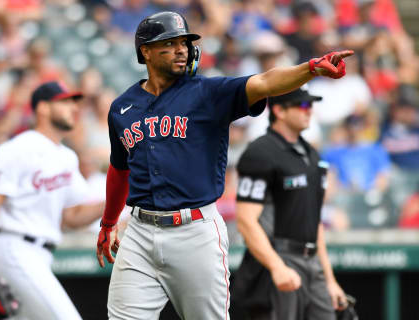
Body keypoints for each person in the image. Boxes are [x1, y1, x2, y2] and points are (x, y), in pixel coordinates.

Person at [96, 11, 353, 320]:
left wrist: (309, 69)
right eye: (169, 43)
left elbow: (266, 81)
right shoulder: (122, 107)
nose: (181, 50)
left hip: (194, 231)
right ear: (145, 52)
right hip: (138, 231)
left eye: (184, 43)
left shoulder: (208, 93)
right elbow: (119, 169)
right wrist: (109, 222)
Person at [0, 81, 104, 320]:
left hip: (42, 254)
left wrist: (113, 202)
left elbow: (71, 217)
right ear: (43, 108)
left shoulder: (66, 156)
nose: (73, 108)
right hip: (15, 248)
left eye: (74, 102)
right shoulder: (18, 148)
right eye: (65, 102)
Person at [234, 87, 348, 320]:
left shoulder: (311, 154)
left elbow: (314, 222)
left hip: (311, 261)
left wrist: (330, 280)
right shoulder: (261, 152)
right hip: (278, 257)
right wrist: (276, 267)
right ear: (279, 110)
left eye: (311, 106)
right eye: (302, 105)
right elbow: (246, 220)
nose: (309, 111)